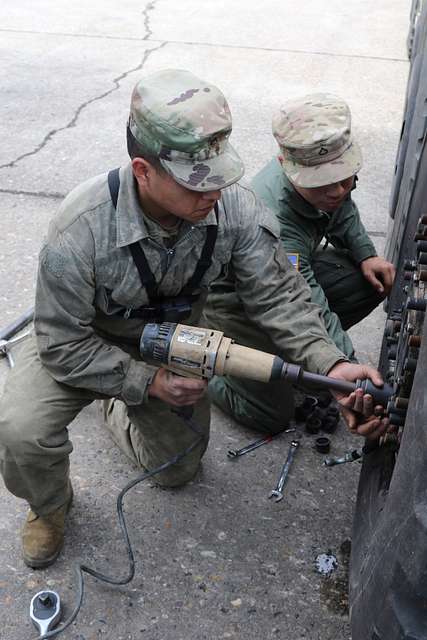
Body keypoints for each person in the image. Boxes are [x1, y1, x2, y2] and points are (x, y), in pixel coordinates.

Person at [0, 70, 387, 570]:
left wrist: (331, 365)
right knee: (20, 430)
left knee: (176, 471)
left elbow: (280, 295)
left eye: (221, 175)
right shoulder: (80, 229)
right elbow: (59, 342)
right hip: (82, 341)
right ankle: (50, 506)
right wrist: (145, 381)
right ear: (143, 170)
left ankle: (111, 406)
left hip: (171, 341)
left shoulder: (233, 210)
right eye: (197, 183)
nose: (215, 194)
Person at [205, 93, 394, 428]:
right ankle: (206, 368)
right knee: (270, 416)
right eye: (322, 183)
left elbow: (342, 211)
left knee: (370, 281)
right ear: (285, 166)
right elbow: (304, 298)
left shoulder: (329, 186)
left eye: (345, 177)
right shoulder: (274, 220)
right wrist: (346, 374)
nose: (337, 190)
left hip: (290, 280)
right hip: (238, 306)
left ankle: (302, 359)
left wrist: (366, 254)